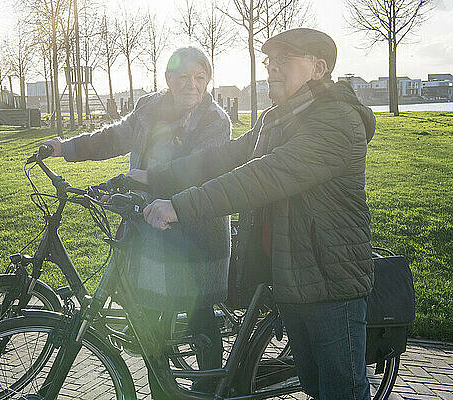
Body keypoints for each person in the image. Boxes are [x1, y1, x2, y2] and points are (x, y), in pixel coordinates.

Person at [136, 28, 376, 400]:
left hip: (330, 279)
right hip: (292, 274)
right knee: (314, 386)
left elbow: (261, 177)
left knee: (342, 391)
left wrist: (181, 206)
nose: (272, 68)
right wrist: (154, 176)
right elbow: (222, 157)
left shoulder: (336, 122)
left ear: (318, 68)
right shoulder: (276, 119)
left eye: (284, 60)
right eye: (270, 60)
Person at [42, 47, 232, 398]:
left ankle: (209, 388)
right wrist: (66, 148)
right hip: (148, 228)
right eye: (184, 77)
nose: (192, 85)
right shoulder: (149, 108)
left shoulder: (215, 121)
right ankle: (162, 389)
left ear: (207, 81)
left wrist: (148, 178)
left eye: (200, 78)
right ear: (168, 80)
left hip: (194, 232)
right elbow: (113, 137)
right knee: (149, 325)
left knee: (198, 316)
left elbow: (201, 168)